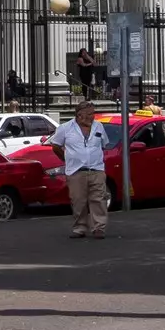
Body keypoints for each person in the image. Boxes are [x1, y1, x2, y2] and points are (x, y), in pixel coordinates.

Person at [48, 99, 110, 239]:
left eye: (93, 113)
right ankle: (80, 228)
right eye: (88, 114)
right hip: (76, 171)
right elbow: (56, 146)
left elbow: (104, 145)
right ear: (79, 115)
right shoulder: (65, 128)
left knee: (99, 199)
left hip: (96, 169)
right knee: (78, 201)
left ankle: (99, 228)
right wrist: (67, 159)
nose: (92, 117)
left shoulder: (99, 126)